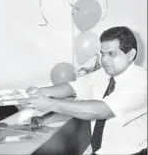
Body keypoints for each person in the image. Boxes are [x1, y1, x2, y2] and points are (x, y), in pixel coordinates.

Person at [24, 26, 147, 155]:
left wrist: (50, 104)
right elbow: (71, 87)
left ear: (130, 54)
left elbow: (100, 110)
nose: (104, 59)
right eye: (103, 53)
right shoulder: (103, 74)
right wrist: (40, 91)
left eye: (111, 54)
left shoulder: (141, 81)